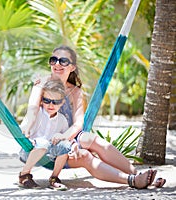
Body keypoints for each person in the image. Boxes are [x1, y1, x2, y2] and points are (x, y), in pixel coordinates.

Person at [20, 45, 166, 189]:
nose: (57, 64)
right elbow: (32, 110)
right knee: (85, 156)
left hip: (67, 135)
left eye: (63, 61)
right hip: (45, 140)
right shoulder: (42, 84)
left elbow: (78, 124)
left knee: (91, 139)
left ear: (72, 67)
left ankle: (139, 174)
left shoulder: (76, 91)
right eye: (53, 60)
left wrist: (67, 139)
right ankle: (132, 180)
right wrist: (26, 128)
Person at [19, 78, 79, 190]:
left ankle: (54, 178)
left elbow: (66, 138)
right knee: (43, 143)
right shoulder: (36, 114)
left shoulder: (61, 120)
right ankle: (24, 175)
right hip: (29, 151)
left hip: (48, 156)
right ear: (41, 100)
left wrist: (73, 143)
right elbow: (24, 129)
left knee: (65, 145)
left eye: (55, 102)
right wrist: (26, 131)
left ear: (62, 103)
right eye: (46, 100)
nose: (50, 105)